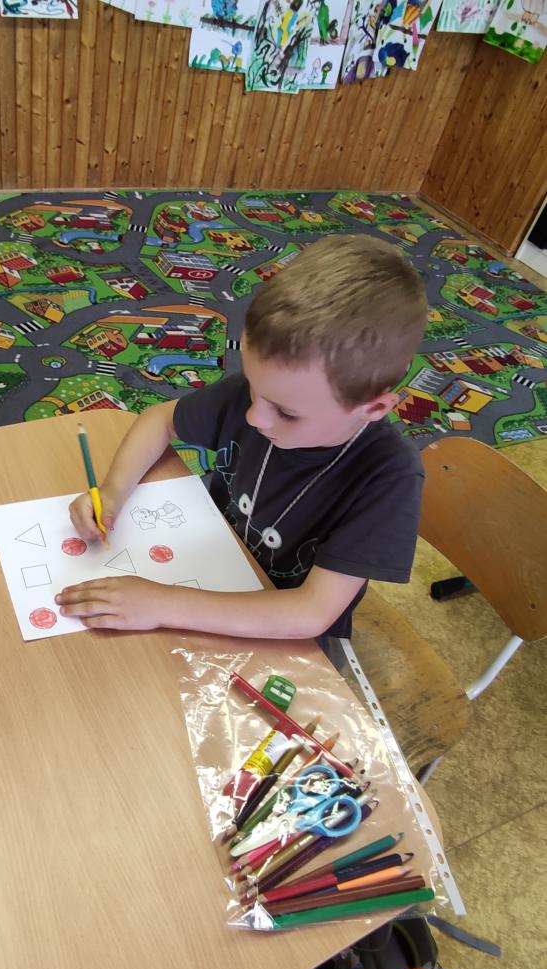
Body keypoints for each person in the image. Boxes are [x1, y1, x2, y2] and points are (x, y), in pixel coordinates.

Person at [56, 234, 428, 654]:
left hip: (282, 630)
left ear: (372, 408)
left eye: (286, 412)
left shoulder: (390, 476)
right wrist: (111, 493)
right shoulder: (269, 393)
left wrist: (162, 603)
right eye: (252, 386)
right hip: (212, 564)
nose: (255, 417)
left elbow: (311, 614)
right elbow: (159, 420)